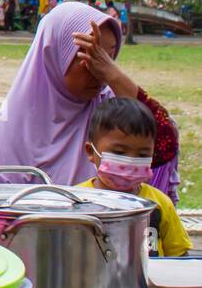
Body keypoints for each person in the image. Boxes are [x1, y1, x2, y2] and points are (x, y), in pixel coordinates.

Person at [0, 1, 178, 186]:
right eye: (89, 57)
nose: (99, 73)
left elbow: (164, 144)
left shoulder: (108, 106)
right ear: (55, 55)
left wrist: (114, 75)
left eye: (107, 59)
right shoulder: (15, 120)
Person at [80, 99, 190, 256]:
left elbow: (179, 256)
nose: (131, 161)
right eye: (119, 152)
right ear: (91, 152)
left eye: (143, 154)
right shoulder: (77, 202)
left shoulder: (159, 204)